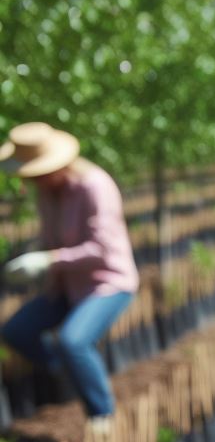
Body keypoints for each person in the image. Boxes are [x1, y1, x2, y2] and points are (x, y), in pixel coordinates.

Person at [0, 122, 138, 423]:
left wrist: (49, 260)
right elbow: (53, 239)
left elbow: (100, 249)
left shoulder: (95, 186)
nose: (31, 181)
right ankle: (67, 375)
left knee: (73, 341)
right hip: (66, 287)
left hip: (107, 283)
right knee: (15, 331)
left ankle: (102, 414)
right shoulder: (47, 192)